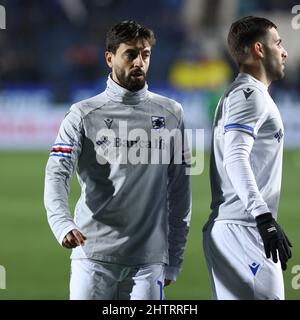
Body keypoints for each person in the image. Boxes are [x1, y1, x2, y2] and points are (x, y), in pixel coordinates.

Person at [44, 20, 191, 300]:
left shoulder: (173, 113)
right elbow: (56, 174)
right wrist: (62, 224)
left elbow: (181, 190)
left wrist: (175, 256)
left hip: (149, 260)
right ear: (109, 58)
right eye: (131, 54)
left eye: (145, 54)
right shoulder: (82, 114)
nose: (139, 62)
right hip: (93, 255)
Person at [203, 16, 292, 300]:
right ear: (259, 49)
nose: (284, 51)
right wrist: (263, 218)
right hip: (243, 228)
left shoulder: (245, 93)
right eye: (277, 43)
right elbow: (236, 157)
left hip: (241, 227)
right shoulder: (248, 94)